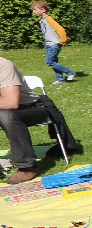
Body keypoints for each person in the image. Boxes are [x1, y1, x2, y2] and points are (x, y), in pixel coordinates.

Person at [0, 55, 81, 183]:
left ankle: (27, 167)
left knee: (5, 115)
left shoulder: (3, 65)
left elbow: (11, 102)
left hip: (32, 107)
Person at [30, 1, 76, 83]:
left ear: (43, 10)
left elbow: (60, 29)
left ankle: (70, 72)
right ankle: (60, 79)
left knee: (49, 61)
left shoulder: (49, 19)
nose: (34, 11)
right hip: (49, 44)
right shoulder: (43, 20)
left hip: (54, 44)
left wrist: (63, 40)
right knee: (54, 62)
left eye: (35, 9)